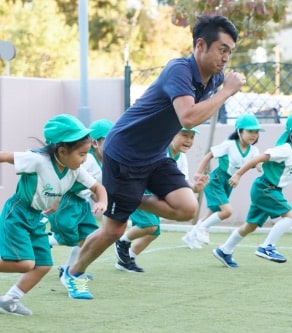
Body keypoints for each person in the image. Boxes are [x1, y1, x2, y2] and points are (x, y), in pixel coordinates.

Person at [63, 15, 245, 299]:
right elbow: (188, 117)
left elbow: (197, 114)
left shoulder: (214, 80)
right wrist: (226, 93)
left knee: (187, 209)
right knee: (114, 229)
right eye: (222, 49)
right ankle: (73, 273)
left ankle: (127, 199)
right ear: (200, 45)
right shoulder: (180, 70)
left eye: (230, 52)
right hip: (124, 152)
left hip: (154, 155)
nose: (226, 58)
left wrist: (221, 90)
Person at [0, 115, 108, 314]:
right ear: (61, 151)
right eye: (81, 154)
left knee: (43, 265)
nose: (84, 159)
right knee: (25, 264)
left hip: (36, 217)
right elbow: (5, 156)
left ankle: (9, 300)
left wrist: (102, 201)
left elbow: (97, 187)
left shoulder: (74, 169)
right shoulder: (37, 160)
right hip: (18, 213)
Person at [213, 111, 292, 267]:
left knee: (250, 226)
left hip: (271, 190)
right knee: (291, 216)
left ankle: (224, 250)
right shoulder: (285, 150)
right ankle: (267, 247)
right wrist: (238, 174)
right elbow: (259, 158)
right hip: (265, 188)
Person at [114, 129, 207, 273]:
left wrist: (195, 187)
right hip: (139, 191)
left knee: (154, 232)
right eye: (184, 135)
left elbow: (181, 182)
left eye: (192, 137)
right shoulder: (159, 151)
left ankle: (127, 260)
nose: (188, 140)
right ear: (170, 135)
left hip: (155, 195)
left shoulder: (181, 158)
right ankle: (122, 241)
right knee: (150, 225)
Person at [183, 114, 262, 249]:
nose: (253, 135)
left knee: (211, 212)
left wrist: (268, 168)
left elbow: (259, 165)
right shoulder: (229, 145)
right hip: (216, 180)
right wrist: (198, 173)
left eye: (256, 131)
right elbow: (209, 155)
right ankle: (203, 228)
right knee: (227, 211)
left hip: (228, 184)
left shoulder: (254, 151)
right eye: (250, 131)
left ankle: (190, 236)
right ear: (239, 131)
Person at [49, 119, 113, 280]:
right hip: (68, 200)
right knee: (68, 238)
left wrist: (99, 201)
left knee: (88, 237)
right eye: (109, 140)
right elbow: (73, 177)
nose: (114, 144)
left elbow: (91, 188)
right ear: (95, 143)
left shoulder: (102, 163)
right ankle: (44, 239)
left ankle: (69, 269)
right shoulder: (88, 160)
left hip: (81, 203)